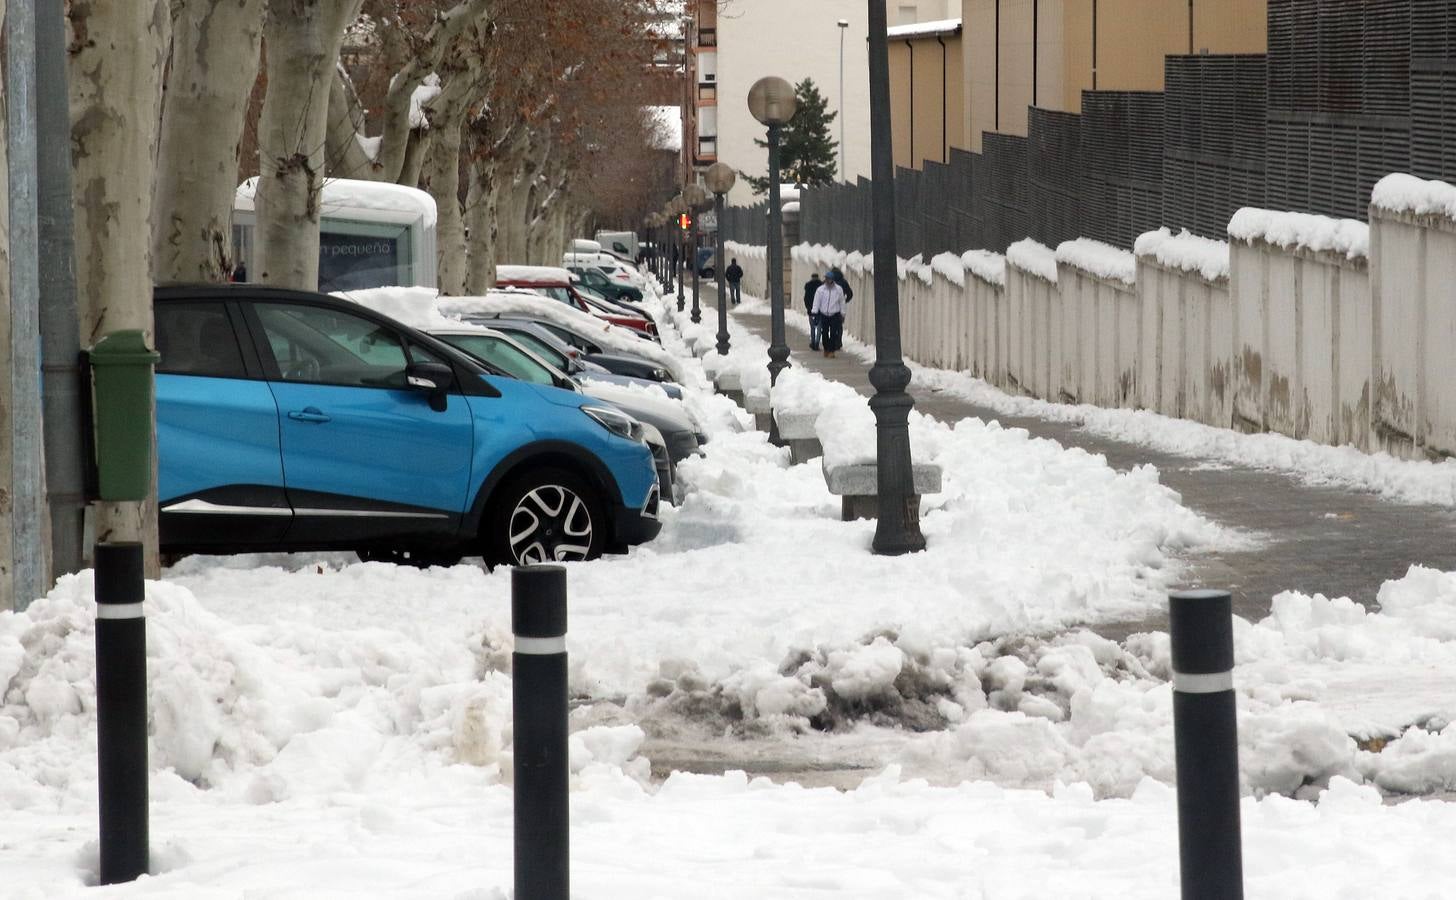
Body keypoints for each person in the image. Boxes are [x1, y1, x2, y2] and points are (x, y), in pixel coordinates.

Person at [811, 272, 847, 358]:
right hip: (824, 314)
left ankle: (832, 350)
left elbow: (842, 302)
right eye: (826, 279)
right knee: (825, 333)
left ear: (832, 280)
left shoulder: (838, 290)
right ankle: (826, 348)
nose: (827, 280)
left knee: (834, 333)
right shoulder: (820, 290)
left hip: (834, 314)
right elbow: (817, 301)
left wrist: (843, 313)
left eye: (829, 279)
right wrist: (814, 312)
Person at [802, 272, 824, 350]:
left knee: (812, 327)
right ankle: (817, 343)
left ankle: (813, 342)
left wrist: (808, 308)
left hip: (811, 310)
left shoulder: (808, 286)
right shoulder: (822, 286)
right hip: (820, 310)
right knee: (819, 327)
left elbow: (806, 299)